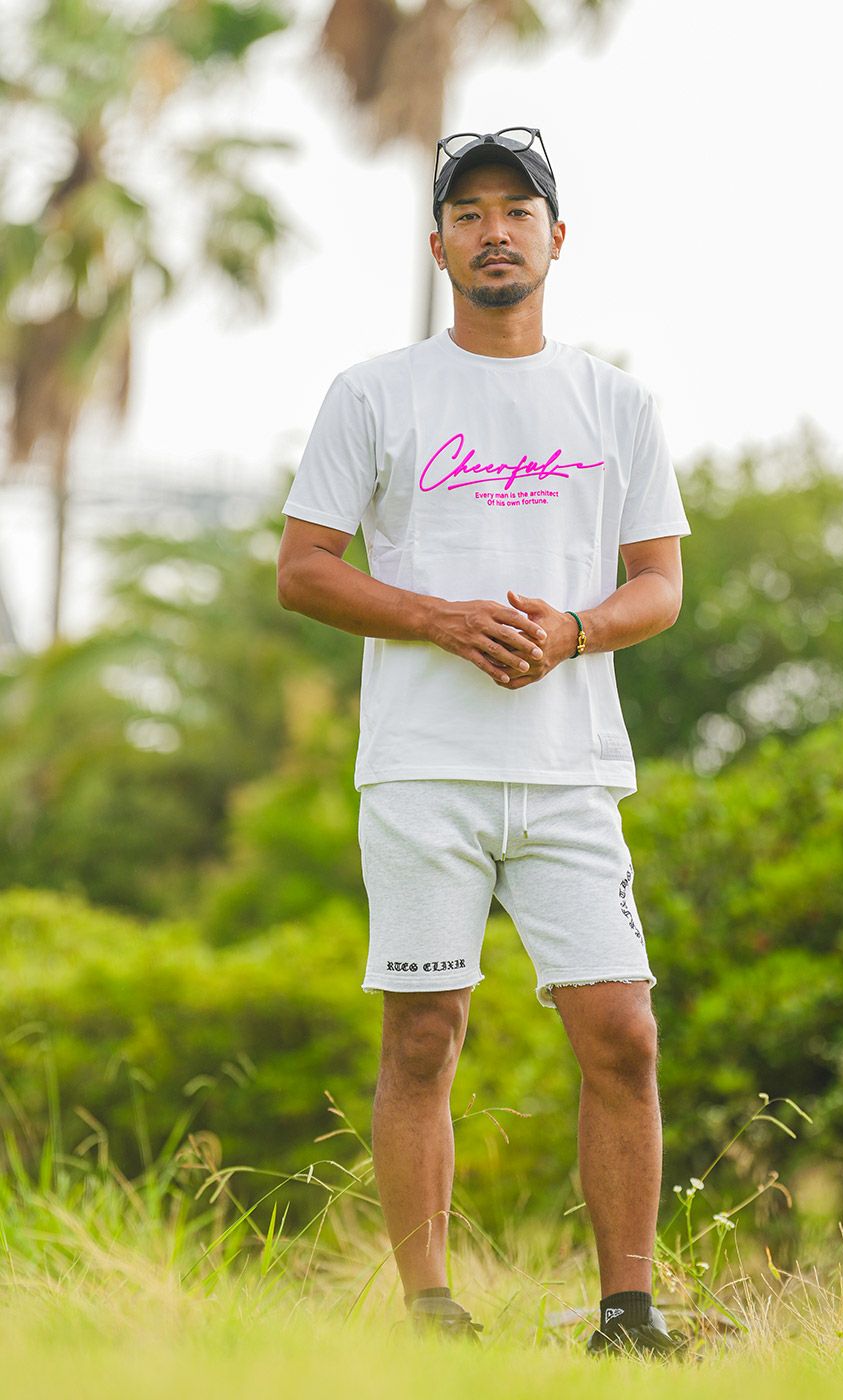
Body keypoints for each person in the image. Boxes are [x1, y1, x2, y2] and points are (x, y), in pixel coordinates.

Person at [276, 127, 692, 1359]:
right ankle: (429, 1310)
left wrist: (572, 630)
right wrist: (441, 619)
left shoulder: (616, 401)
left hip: (571, 772)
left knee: (621, 1031)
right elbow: (303, 568)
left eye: (516, 211)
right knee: (423, 1033)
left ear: (556, 238)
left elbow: (659, 584)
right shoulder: (374, 392)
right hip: (422, 767)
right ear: (438, 244)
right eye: (469, 213)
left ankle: (628, 1313)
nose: (493, 230)